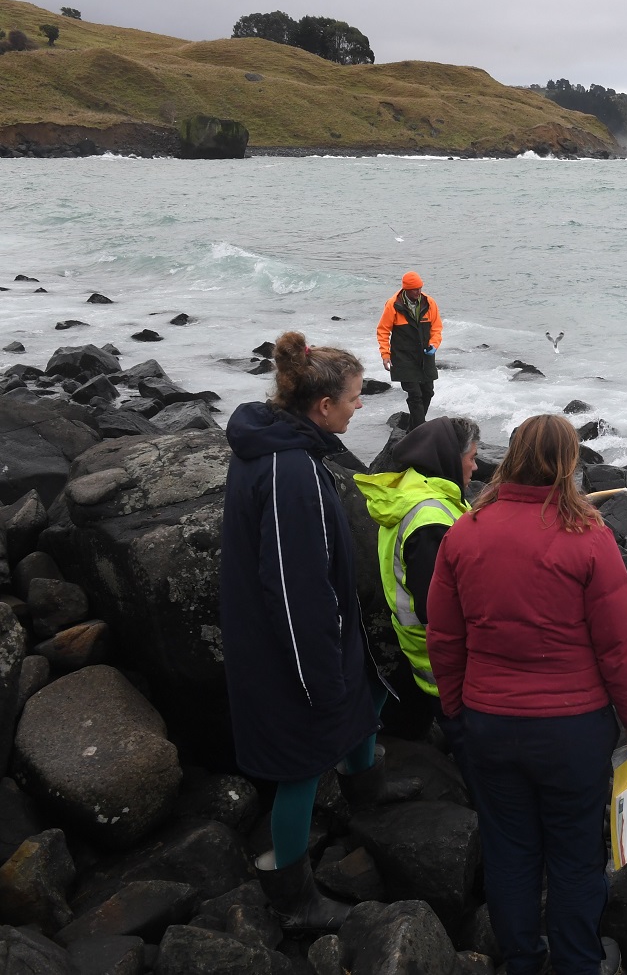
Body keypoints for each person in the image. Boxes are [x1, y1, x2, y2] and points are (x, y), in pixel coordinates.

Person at [426, 415, 627, 975]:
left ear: (510, 458)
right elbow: (621, 645)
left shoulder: (466, 530)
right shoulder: (589, 536)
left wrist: (456, 710)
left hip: (490, 722)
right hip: (572, 732)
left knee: (510, 851)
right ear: (569, 464)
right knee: (577, 855)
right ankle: (577, 963)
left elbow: (444, 637)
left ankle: (522, 962)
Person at [219, 331, 396, 931]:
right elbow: (294, 590)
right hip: (286, 651)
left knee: (344, 714)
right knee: (297, 767)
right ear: (322, 407)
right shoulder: (290, 469)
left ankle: (357, 803)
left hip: (278, 640)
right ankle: (293, 896)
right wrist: (317, 676)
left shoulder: (272, 445)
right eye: (352, 398)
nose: (359, 407)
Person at [353, 416, 481, 764]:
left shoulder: (413, 492)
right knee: (478, 756)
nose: (475, 464)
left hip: (427, 654)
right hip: (445, 664)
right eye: (471, 456)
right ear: (449, 459)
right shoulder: (430, 520)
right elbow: (436, 606)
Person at [376, 270, 443, 428]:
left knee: (428, 392)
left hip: (425, 356)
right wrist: (385, 354)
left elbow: (436, 328)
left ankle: (413, 429)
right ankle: (421, 430)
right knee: (415, 395)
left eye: (420, 288)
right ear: (406, 289)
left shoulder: (429, 302)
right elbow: (383, 330)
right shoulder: (393, 305)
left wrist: (434, 345)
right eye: (414, 289)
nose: (418, 292)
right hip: (403, 357)